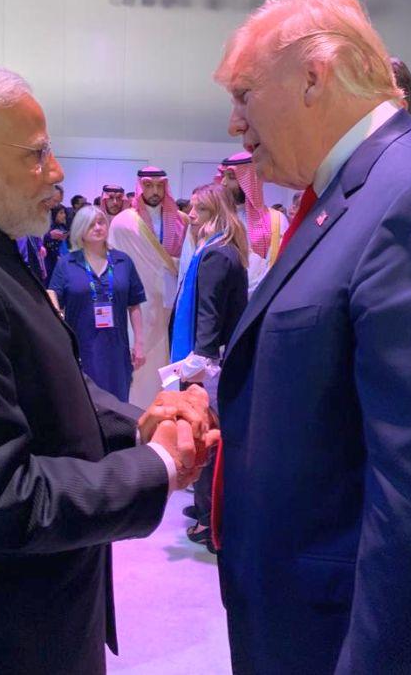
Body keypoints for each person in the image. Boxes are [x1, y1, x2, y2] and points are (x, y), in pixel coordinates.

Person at [0, 61, 216, 675]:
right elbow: (1, 499)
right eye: (36, 155)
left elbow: (46, 385)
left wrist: (140, 420)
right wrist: (158, 463)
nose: (56, 173)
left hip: (20, 621)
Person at [211, 0, 411, 674]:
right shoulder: (351, 193)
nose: (236, 124)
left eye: (244, 94)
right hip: (292, 613)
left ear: (314, 77)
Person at [168, 183, 248, 552]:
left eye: (198, 210)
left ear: (214, 212)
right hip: (213, 358)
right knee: (206, 434)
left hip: (209, 362)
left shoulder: (215, 255)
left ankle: (208, 519)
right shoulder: (219, 249)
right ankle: (204, 507)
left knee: (205, 436)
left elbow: (208, 313)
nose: (191, 216)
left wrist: (197, 363)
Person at [49, 206, 145, 402]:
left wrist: (140, 343)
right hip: (81, 348)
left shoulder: (122, 261)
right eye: (91, 224)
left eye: (101, 222)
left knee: (118, 402)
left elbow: (134, 305)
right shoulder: (67, 263)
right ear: (80, 229)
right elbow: (52, 292)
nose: (98, 227)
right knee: (84, 402)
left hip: (116, 348)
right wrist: (57, 316)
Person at [108, 167, 186, 408]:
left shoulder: (180, 220)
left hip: (171, 300)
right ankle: (134, 409)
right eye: (149, 185)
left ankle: (163, 407)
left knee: (166, 355)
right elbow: (116, 262)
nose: (155, 191)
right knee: (139, 355)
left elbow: (185, 259)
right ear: (140, 187)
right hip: (137, 303)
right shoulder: (124, 222)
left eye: (160, 186)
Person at [216, 151, 288, 294]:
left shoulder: (276, 220)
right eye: (223, 176)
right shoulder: (217, 218)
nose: (223, 183)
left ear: (248, 181)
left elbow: (278, 265)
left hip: (260, 297)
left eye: (231, 177)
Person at [43, 203, 70, 284]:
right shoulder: (48, 230)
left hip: (65, 259)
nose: (64, 215)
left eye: (64, 213)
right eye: (61, 213)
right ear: (54, 214)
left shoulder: (63, 227)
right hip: (53, 264)